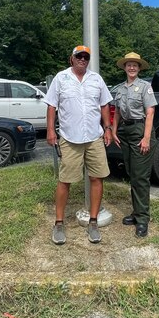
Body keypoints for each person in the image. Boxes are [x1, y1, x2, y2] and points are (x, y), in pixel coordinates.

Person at [44, 45, 113, 245]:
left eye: (86, 57)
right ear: (71, 59)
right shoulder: (61, 78)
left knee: (97, 178)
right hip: (69, 138)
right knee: (65, 180)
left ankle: (93, 222)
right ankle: (59, 223)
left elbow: (104, 104)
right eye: (79, 56)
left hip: (94, 137)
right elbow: (51, 105)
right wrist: (50, 130)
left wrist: (107, 127)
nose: (83, 59)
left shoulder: (96, 79)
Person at [111, 52, 157, 238]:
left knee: (140, 176)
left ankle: (143, 219)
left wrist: (146, 138)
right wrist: (114, 130)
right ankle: (136, 212)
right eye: (128, 65)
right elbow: (118, 112)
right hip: (125, 131)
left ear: (139, 68)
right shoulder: (121, 89)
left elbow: (150, 112)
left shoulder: (145, 87)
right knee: (131, 172)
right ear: (124, 67)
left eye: (135, 65)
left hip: (140, 130)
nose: (131, 68)